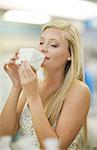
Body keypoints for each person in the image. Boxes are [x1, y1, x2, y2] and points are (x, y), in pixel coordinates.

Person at [0, 20, 90, 150]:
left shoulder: (79, 90)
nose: (42, 48)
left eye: (53, 45)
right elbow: (5, 132)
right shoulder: (34, 85)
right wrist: (17, 85)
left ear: (70, 54)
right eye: (41, 42)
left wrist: (33, 97)